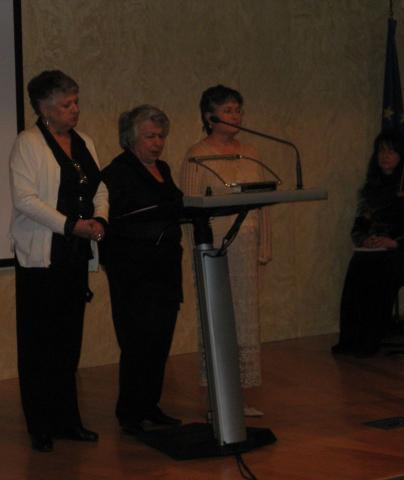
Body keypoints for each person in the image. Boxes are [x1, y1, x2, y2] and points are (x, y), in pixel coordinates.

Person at [9, 70, 108, 452]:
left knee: (68, 342)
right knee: (39, 343)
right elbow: (25, 200)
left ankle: (68, 420)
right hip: (40, 257)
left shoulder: (85, 142)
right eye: (66, 104)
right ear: (44, 107)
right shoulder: (28, 143)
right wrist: (71, 225)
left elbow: (100, 187)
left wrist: (99, 221)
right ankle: (40, 424)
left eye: (76, 102)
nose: (75, 109)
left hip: (75, 254)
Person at [180, 85, 272, 417]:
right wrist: (197, 251)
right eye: (228, 110)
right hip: (214, 248)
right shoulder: (197, 154)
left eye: (238, 109)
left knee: (244, 321)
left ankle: (239, 399)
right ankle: (216, 401)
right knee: (218, 320)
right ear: (209, 117)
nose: (236, 116)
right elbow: (190, 208)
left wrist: (264, 243)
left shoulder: (251, 151)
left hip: (245, 247)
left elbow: (263, 202)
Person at [100, 105, 184, 434]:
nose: (157, 143)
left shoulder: (163, 168)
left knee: (160, 341)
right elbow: (111, 222)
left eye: (161, 136)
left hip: (165, 268)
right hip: (133, 273)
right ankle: (130, 413)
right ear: (130, 138)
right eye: (150, 136)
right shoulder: (117, 172)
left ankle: (151, 405)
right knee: (137, 343)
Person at [332, 130, 404, 357]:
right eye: (381, 151)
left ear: (401, 155)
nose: (385, 156)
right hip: (379, 251)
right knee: (358, 263)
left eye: (391, 151)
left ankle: (370, 339)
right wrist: (366, 240)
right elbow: (359, 227)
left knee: (380, 269)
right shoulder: (372, 189)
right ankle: (350, 339)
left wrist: (394, 243)